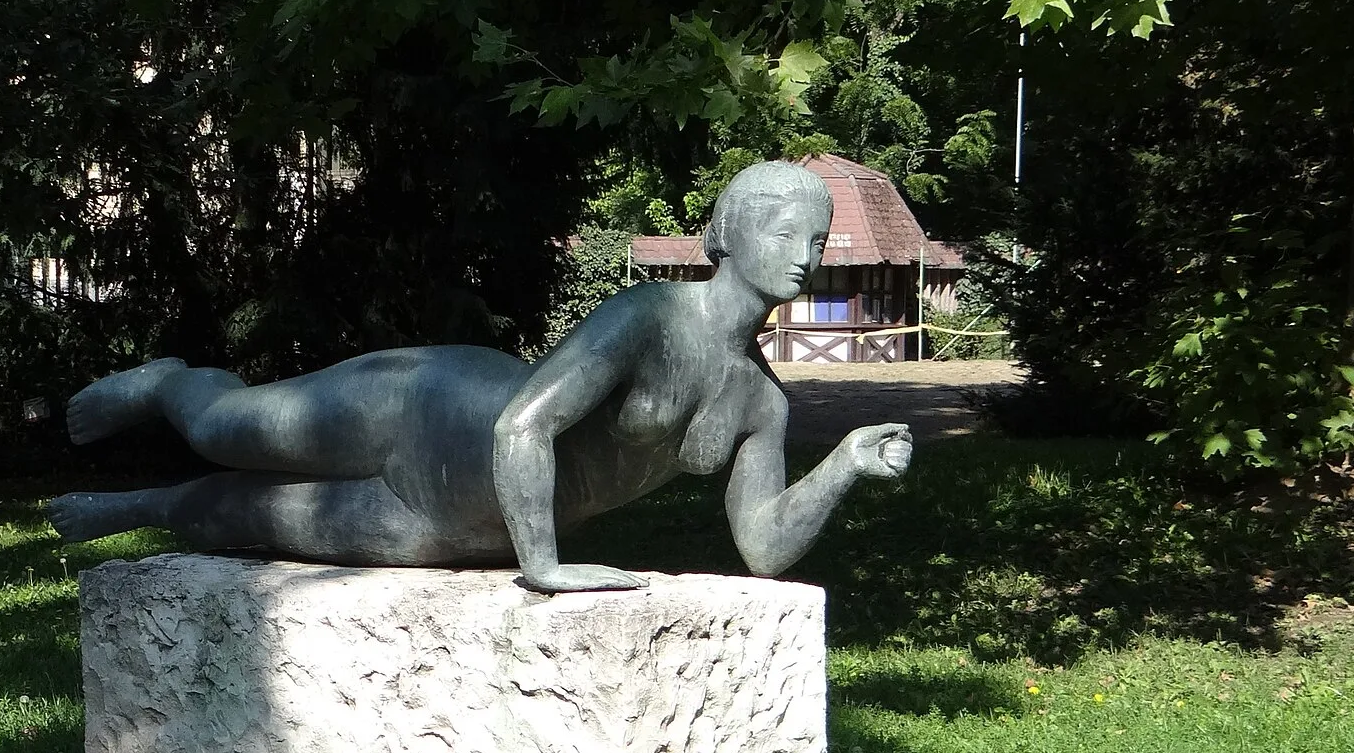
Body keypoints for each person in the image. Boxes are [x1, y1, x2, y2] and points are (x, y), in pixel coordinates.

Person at [47, 160, 913, 591]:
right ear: (728, 229)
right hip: (424, 410)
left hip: (460, 523)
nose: (801, 253)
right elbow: (523, 425)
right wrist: (547, 566)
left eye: (815, 236)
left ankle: (134, 508)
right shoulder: (650, 315)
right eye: (780, 227)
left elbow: (761, 547)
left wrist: (842, 466)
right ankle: (168, 383)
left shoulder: (760, 398)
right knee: (224, 430)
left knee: (240, 519)